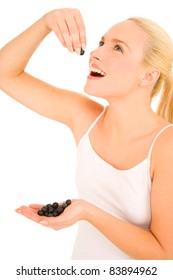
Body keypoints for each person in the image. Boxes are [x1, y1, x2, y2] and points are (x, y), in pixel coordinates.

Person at [0, 8, 173, 260]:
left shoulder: (166, 146)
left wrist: (87, 212)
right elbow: (5, 74)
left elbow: (165, 254)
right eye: (101, 42)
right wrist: (46, 21)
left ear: (148, 76)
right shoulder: (85, 116)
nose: (95, 53)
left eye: (118, 48)